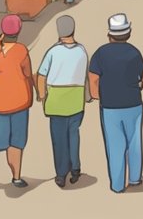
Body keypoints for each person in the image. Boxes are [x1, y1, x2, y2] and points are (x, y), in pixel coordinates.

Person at [89, 13, 143, 194]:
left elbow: (93, 81)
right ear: (128, 33)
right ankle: (135, 177)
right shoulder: (134, 52)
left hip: (110, 106)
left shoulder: (100, 53)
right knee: (134, 141)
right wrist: (138, 84)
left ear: (109, 34)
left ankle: (117, 184)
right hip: (134, 104)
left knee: (115, 145)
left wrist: (98, 96)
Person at [0, 14, 35, 190]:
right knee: (17, 142)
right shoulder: (21, 51)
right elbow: (27, 74)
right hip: (19, 104)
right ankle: (16, 177)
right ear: (18, 31)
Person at [37, 15, 89, 189]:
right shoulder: (82, 50)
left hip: (56, 102)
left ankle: (61, 173)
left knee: (59, 139)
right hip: (76, 100)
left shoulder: (53, 52)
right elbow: (85, 75)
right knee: (73, 135)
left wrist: (42, 95)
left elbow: (41, 75)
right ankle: (75, 168)